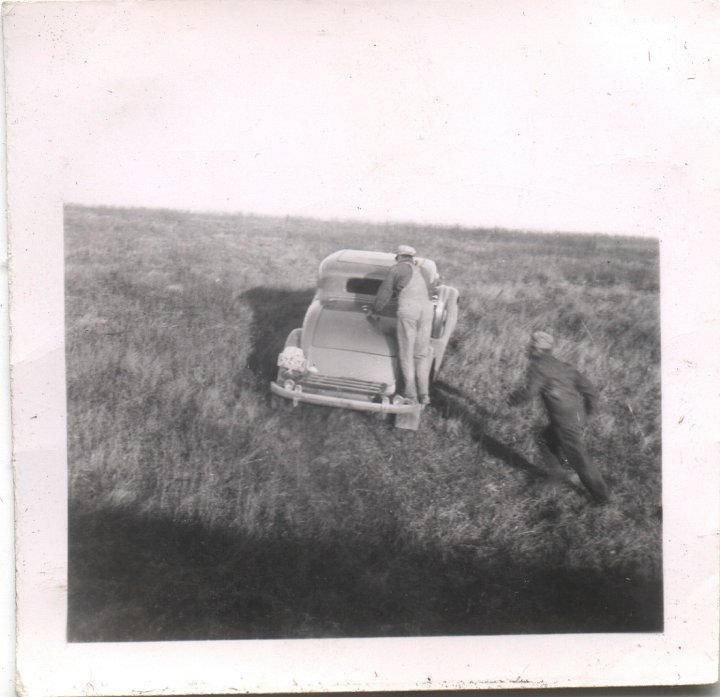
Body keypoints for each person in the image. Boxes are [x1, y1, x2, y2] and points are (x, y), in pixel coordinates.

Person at [508, 331, 610, 503]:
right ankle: (558, 473)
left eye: (530, 347)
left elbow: (530, 392)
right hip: (576, 415)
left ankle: (601, 497)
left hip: (564, 420)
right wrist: (588, 413)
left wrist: (513, 399)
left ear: (536, 349)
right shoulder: (563, 366)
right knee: (544, 439)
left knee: (578, 458)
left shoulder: (538, 366)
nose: (528, 350)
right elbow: (590, 390)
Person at [369, 245, 434, 405]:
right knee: (420, 355)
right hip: (426, 312)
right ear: (412, 257)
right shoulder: (423, 270)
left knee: (406, 354)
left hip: (409, 312)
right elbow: (431, 291)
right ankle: (425, 395)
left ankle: (411, 395)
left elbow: (385, 292)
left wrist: (375, 311)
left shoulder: (397, 269)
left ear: (398, 257)